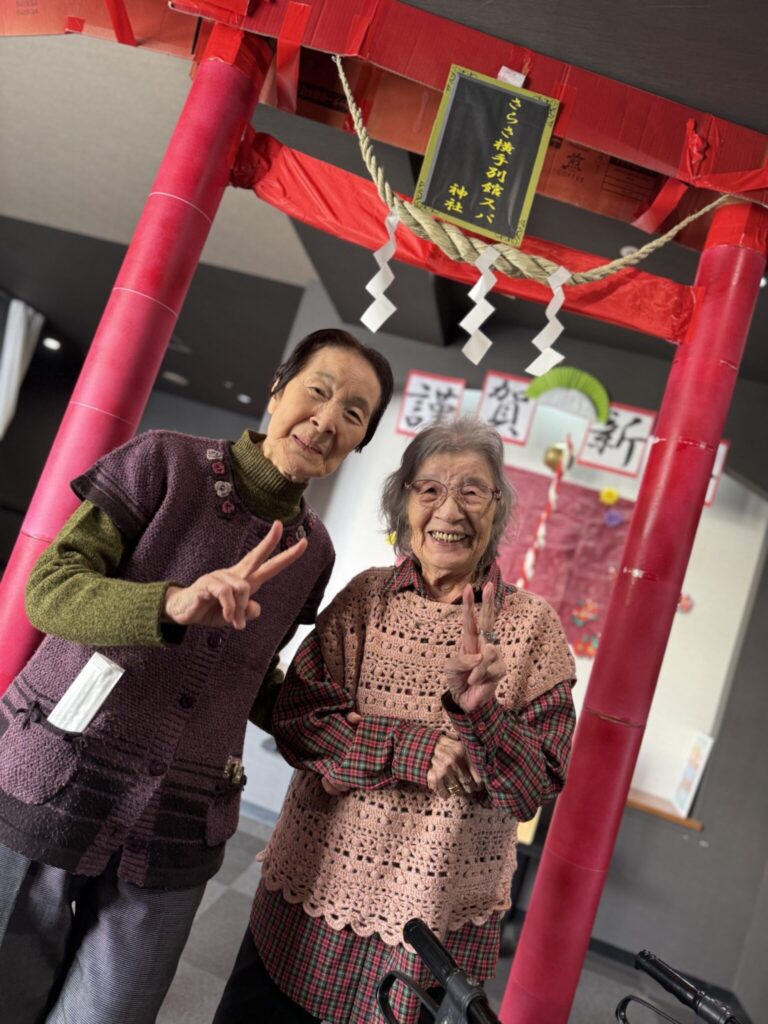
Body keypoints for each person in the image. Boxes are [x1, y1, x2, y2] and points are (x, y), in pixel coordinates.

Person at [0, 327, 393, 1024]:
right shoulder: (164, 461)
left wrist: (347, 728)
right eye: (319, 390)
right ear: (278, 388)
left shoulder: (315, 552)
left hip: (180, 821)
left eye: (354, 413)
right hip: (55, 780)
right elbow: (50, 591)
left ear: (360, 442)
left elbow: (250, 674)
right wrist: (172, 604)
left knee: (112, 1012)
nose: (327, 420)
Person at [214, 418, 577, 1024]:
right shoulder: (365, 599)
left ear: (497, 508)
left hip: (435, 923)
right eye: (429, 488)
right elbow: (298, 719)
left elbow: (531, 789)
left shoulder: (532, 628)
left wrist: (481, 713)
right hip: (313, 892)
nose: (449, 510)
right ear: (404, 502)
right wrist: (414, 749)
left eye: (472, 490)